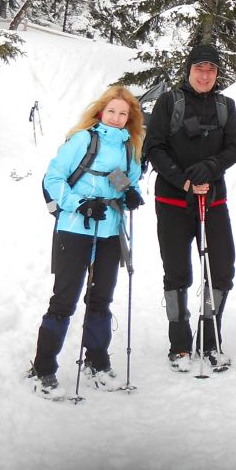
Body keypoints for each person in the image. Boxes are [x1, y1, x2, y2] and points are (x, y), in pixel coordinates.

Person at [29, 86, 144, 398]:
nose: (117, 118)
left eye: (124, 113)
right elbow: (53, 179)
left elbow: (121, 177)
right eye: (112, 111)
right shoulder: (83, 139)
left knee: (101, 299)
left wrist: (130, 192)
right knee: (64, 300)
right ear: (100, 112)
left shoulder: (128, 147)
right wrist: (79, 202)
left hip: (109, 230)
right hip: (75, 226)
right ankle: (43, 367)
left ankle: (96, 360)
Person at [144, 42, 236, 373]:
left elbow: (235, 148)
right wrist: (184, 180)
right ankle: (179, 341)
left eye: (211, 70)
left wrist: (212, 167)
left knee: (222, 268)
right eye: (199, 69)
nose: (205, 75)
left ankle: (209, 338)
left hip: (213, 201)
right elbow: (154, 147)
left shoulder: (225, 105)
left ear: (217, 74)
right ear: (189, 70)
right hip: (173, 202)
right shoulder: (169, 102)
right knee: (177, 272)